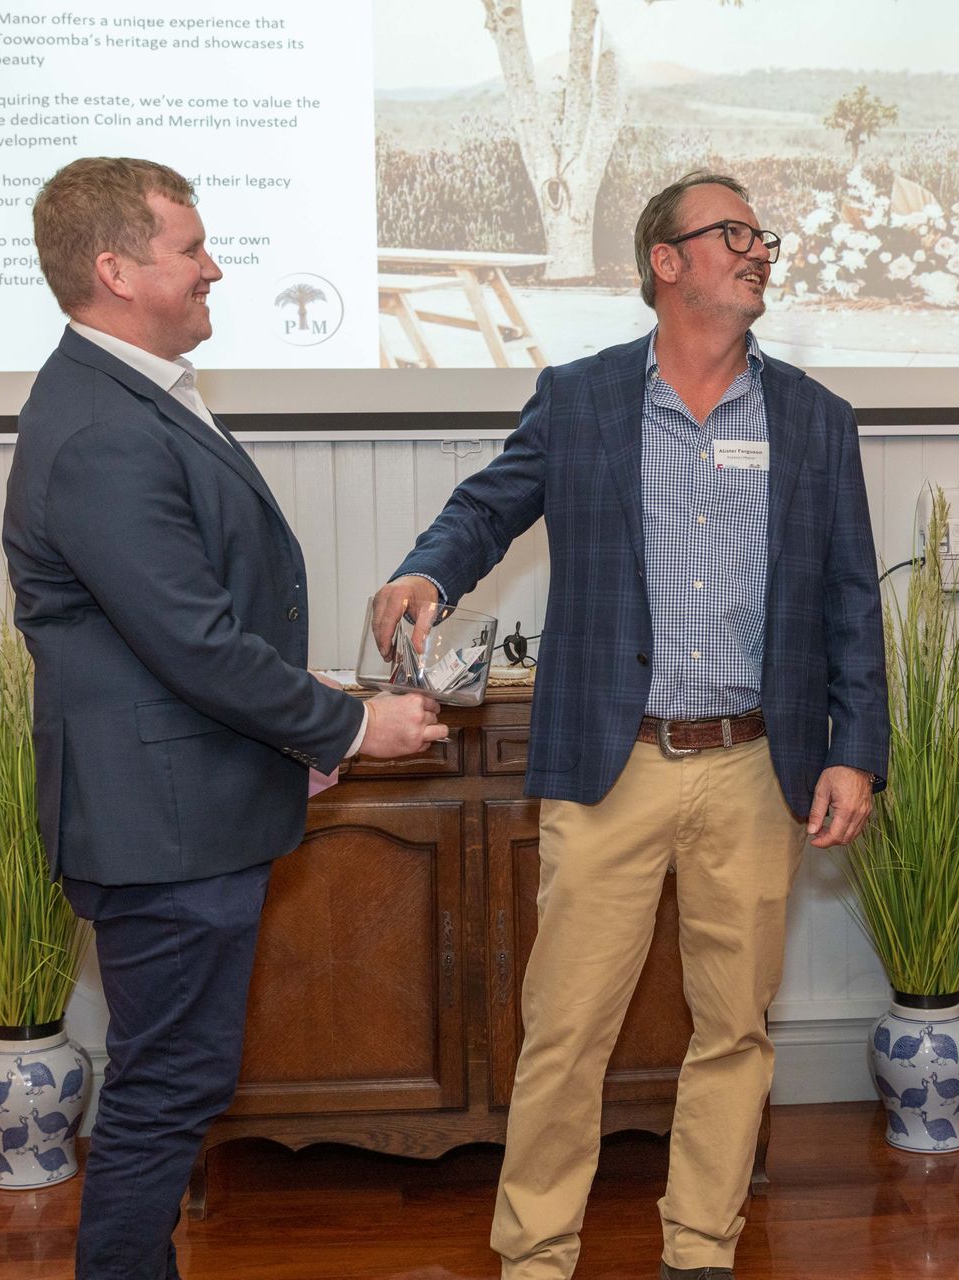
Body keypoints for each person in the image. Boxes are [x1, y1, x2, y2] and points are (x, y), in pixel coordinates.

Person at [372, 171, 888, 1280]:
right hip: (612, 762)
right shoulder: (583, 398)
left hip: (758, 765)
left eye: (763, 237)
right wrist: (427, 568)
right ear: (667, 260)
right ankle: (537, 1252)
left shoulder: (813, 419)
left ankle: (701, 1246)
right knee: (566, 1031)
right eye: (733, 234)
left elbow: (853, 594)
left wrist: (855, 748)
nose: (759, 251)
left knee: (735, 1029)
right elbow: (488, 506)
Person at [2, 156, 446, 1280]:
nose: (213, 266)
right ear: (115, 269)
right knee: (164, 1093)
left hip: (185, 804)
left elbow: (177, 639)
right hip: (163, 830)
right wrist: (350, 726)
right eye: (189, 247)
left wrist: (281, 742)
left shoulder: (126, 394)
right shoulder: (103, 426)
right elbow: (193, 642)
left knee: (171, 1082)